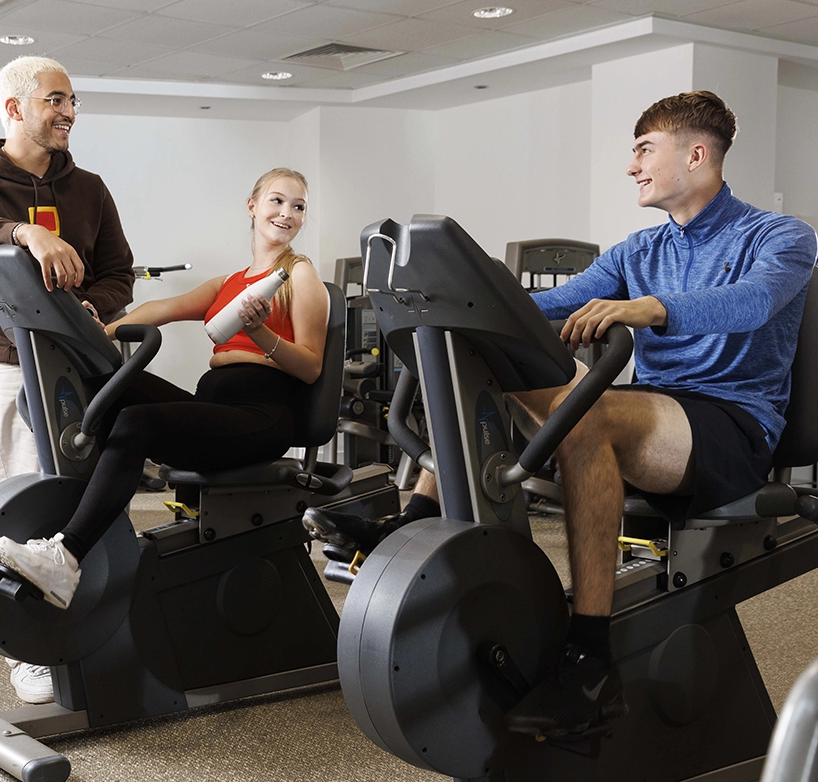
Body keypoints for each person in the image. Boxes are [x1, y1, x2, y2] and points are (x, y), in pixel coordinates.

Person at [325, 91, 818, 739]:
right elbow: (548, 307)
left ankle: (590, 657)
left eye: (644, 150)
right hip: (659, 412)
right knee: (493, 375)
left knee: (590, 417)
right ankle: (411, 518)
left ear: (697, 154)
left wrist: (649, 309)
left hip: (732, 425)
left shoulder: (780, 236)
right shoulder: (635, 252)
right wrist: (463, 307)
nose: (631, 166)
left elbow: (751, 304)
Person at [0, 168, 330, 613]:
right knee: (106, 388)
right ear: (253, 206)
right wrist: (102, 331)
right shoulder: (229, 283)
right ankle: (76, 523)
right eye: (277, 201)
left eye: (298, 206)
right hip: (218, 406)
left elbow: (310, 367)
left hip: (262, 415)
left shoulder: (299, 277)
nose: (286, 213)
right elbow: (161, 310)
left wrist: (262, 334)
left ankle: (67, 556)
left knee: (138, 420)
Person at [0, 55, 135, 704]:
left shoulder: (91, 188)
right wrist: (24, 233)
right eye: (55, 100)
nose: (69, 111)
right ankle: (22, 645)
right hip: (11, 362)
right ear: (15, 108)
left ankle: (94, 619)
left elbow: (118, 275)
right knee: (23, 501)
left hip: (84, 363)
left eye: (73, 100)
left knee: (93, 498)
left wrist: (93, 308)